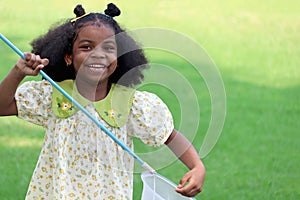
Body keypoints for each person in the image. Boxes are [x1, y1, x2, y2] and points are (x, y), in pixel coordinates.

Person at [0, 3, 205, 199]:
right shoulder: (53, 94)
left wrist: (196, 166)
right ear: (69, 56)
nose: (98, 55)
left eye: (108, 48)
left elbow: (169, 135)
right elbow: (3, 106)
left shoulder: (132, 104)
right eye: (87, 47)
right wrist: (18, 72)